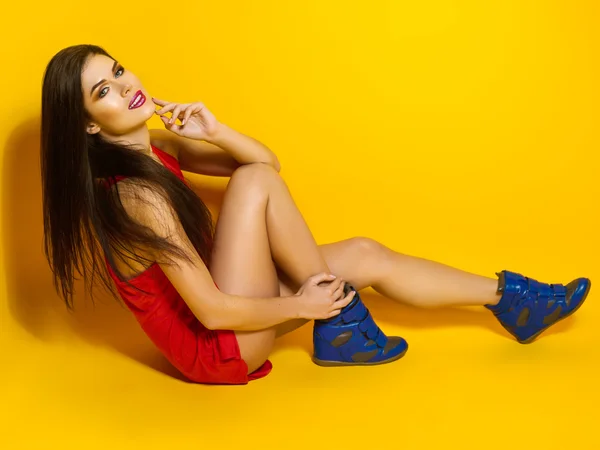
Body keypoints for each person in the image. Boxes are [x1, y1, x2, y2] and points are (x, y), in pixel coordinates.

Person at [40, 44, 592, 385]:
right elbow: (208, 312)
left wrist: (215, 130)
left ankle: (514, 302)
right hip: (218, 347)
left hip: (233, 307)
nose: (127, 87)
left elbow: (267, 163)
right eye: (104, 91)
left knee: (364, 253)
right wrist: (303, 303)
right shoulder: (134, 195)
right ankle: (342, 325)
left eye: (118, 70)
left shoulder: (162, 145)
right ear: (89, 125)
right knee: (255, 187)